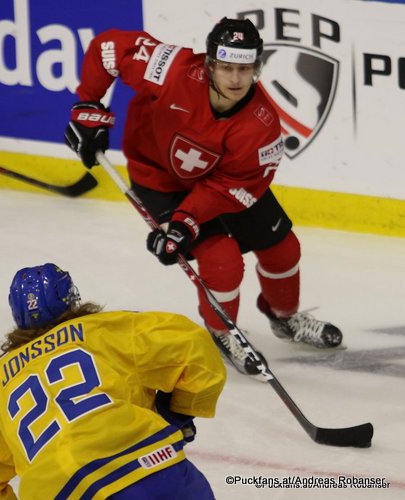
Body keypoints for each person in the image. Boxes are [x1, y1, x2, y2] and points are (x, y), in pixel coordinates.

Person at [65, 17, 343, 376]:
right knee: (223, 262)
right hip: (159, 179)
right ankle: (223, 331)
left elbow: (235, 188)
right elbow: (108, 48)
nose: (235, 79)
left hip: (222, 187)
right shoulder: (172, 69)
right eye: (226, 67)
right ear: (209, 63)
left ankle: (285, 318)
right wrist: (87, 105)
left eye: (244, 69)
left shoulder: (262, 126)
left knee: (284, 248)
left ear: (257, 67)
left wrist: (185, 222)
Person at [0, 263, 226, 500]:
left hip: (61, 492)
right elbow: (193, 345)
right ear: (70, 297)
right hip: (153, 465)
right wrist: (179, 412)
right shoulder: (102, 329)